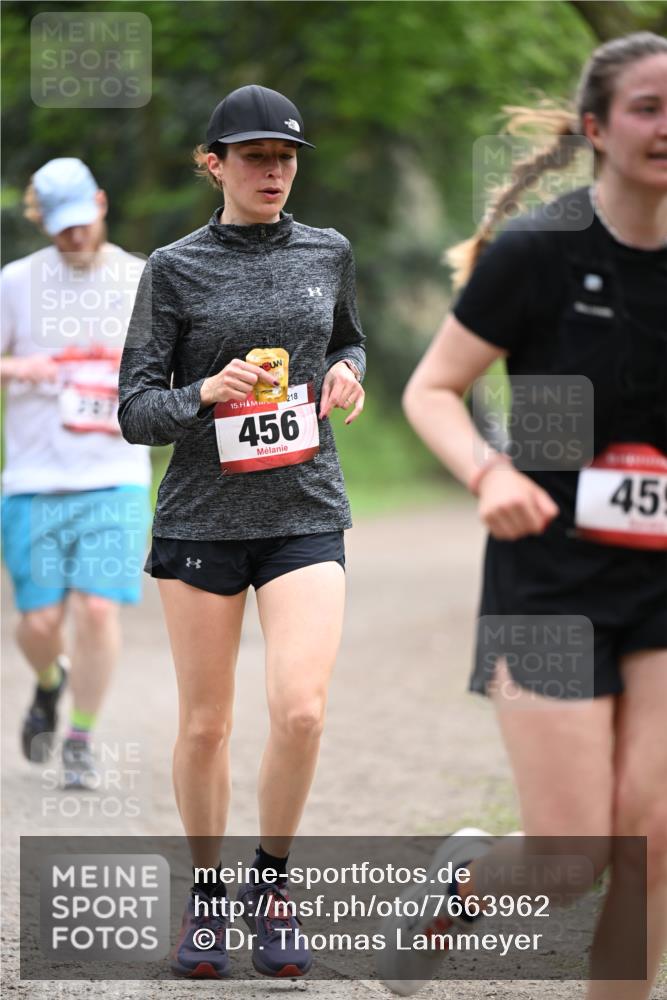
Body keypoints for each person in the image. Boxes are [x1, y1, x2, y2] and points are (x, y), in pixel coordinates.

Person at [378, 32, 667, 1000]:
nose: (666, 127)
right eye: (647, 107)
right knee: (568, 859)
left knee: (651, 839)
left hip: (661, 585)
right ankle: (460, 882)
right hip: (548, 579)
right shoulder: (541, 253)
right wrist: (487, 472)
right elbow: (431, 389)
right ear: (595, 128)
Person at [118, 84, 365, 980]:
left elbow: (347, 339)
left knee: (300, 709)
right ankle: (208, 895)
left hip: (305, 508)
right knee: (206, 727)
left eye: (285, 157)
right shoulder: (173, 267)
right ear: (213, 164)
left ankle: (272, 886)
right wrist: (204, 393)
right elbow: (135, 410)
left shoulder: (328, 250)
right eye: (255, 157)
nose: (273, 172)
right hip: (202, 522)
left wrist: (347, 372)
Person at [1, 158, 152, 791]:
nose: (76, 234)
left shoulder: (142, 278)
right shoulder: (16, 282)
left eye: (83, 220)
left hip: (115, 475)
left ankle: (82, 739)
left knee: (96, 609)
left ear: (102, 204)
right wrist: (19, 368)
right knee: (39, 624)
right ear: (42, 222)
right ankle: (49, 680)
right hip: (34, 480)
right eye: (61, 226)